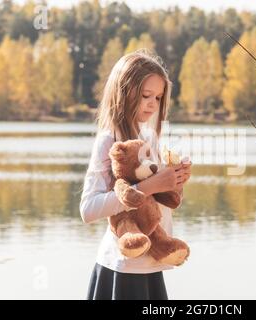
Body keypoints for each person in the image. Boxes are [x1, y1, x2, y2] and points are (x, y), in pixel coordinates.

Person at [80, 49, 191, 300]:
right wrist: (149, 186)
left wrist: (175, 182)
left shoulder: (149, 136)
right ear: (124, 94)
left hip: (151, 265)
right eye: (146, 95)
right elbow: (88, 209)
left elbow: (156, 203)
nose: (153, 104)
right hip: (121, 269)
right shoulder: (110, 140)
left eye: (159, 97)